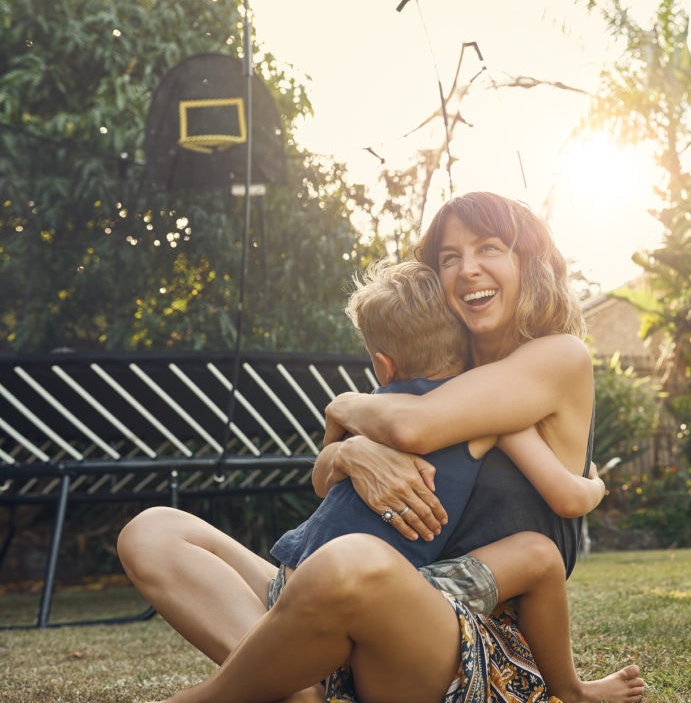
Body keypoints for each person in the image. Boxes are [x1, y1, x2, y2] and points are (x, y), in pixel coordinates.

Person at [121, 191, 643, 703]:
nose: (467, 269)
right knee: (154, 531)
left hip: (462, 638)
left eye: (489, 248)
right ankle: (298, 692)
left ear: (528, 262)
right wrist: (349, 453)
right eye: (449, 257)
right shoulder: (437, 369)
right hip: (357, 598)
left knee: (350, 562)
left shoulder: (558, 356)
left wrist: (343, 406)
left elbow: (413, 429)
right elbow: (326, 479)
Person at [269, 258, 622, 702]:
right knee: (540, 556)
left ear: (383, 366)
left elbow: (322, 482)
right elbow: (567, 497)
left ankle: (298, 685)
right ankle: (571, 690)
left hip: (292, 580)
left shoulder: (372, 409)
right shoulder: (486, 418)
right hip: (388, 598)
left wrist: (342, 420)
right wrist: (596, 484)